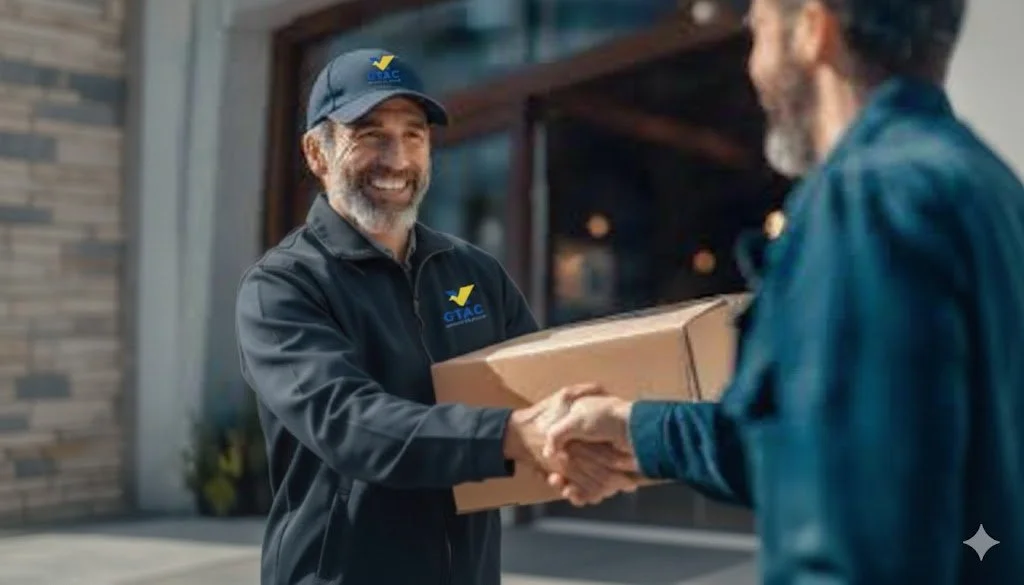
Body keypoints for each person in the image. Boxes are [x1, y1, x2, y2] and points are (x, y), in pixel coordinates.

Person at [542, 0, 1024, 583]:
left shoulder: (864, 200)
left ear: (814, 31)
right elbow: (830, 446)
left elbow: (850, 544)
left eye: (759, 31)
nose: (753, 66)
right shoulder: (992, 189)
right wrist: (637, 430)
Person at [235, 49, 635, 585]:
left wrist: (590, 451)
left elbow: (541, 391)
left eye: (414, 135)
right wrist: (514, 434)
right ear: (316, 152)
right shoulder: (282, 286)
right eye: (371, 134)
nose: (397, 159)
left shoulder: (473, 271)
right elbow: (348, 422)